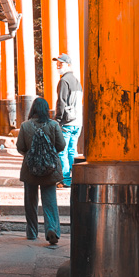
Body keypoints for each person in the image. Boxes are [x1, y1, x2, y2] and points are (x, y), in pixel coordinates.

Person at [15, 97, 66, 247]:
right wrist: (48, 154)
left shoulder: (25, 126)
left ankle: (31, 232)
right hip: (50, 170)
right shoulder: (53, 125)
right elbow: (61, 145)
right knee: (50, 201)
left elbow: (20, 147)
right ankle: (52, 230)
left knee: (30, 202)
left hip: (30, 170)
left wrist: (32, 155)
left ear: (33, 110)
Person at [53, 53, 83, 187]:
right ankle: (77, 178)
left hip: (66, 122)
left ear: (68, 65)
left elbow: (61, 102)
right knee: (72, 150)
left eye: (61, 63)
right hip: (77, 122)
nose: (58, 66)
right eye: (57, 64)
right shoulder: (77, 81)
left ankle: (66, 179)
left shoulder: (64, 81)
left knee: (62, 151)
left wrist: (58, 120)